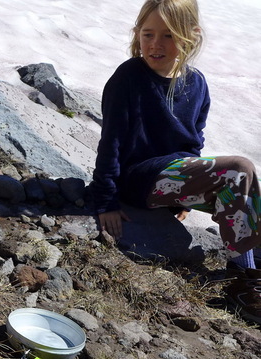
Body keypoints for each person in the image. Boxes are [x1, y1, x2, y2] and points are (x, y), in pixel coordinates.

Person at [92, 0, 261, 323]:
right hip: (139, 178)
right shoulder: (128, 77)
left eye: (168, 35)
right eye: (148, 34)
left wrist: (185, 196)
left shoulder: (196, 83)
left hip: (172, 177)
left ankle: (255, 271)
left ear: (191, 36)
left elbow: (192, 143)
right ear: (137, 34)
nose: (155, 44)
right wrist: (105, 201)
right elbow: (110, 142)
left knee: (252, 191)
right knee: (241, 168)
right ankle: (243, 283)